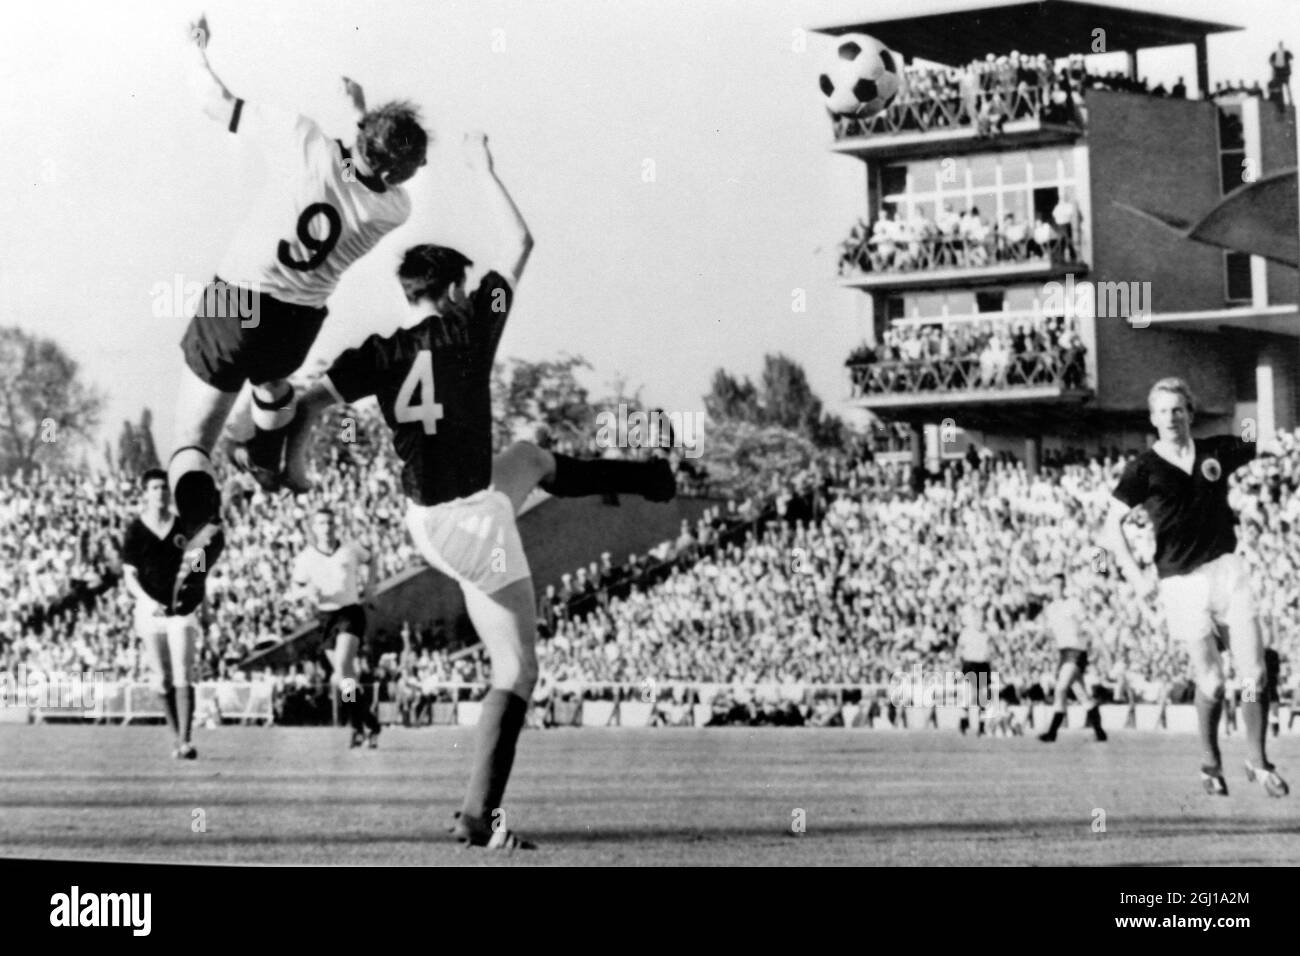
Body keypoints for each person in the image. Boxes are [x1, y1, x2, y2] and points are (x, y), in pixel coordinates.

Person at [281, 133, 674, 849]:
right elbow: (521, 240)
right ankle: (479, 816)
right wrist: (487, 171)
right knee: (519, 669)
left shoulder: (375, 352)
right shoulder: (468, 327)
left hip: (428, 518)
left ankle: (644, 479)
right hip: (470, 521)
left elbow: (309, 404)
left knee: (528, 459)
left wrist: (299, 462)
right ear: (454, 290)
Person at [166, 13, 428, 617]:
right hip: (298, 321)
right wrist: (364, 118)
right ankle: (263, 448)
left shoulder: (301, 136)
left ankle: (203, 525)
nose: (414, 178)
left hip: (238, 297)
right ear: (392, 170)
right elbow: (375, 171)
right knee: (272, 381)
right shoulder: (394, 210)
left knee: (189, 445)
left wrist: (196, 52)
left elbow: (216, 102)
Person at [1102, 378, 1288, 797]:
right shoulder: (1142, 469)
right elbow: (1109, 528)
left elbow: (1261, 439)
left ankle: (1257, 762)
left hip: (1227, 569)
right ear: (1153, 418)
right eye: (1163, 411)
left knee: (1254, 673)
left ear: (1191, 413)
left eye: (1178, 409)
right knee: (1213, 683)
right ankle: (1210, 765)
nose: (1171, 417)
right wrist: (1135, 574)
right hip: (1180, 583)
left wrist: (1266, 430)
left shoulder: (1216, 451)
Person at [119, 469, 202, 759]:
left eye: (165, 488)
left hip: (179, 608)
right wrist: (145, 599)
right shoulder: (135, 529)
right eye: (155, 488)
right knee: (161, 676)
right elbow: (129, 575)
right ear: (145, 492)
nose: (161, 493)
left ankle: (186, 740)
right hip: (148, 609)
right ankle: (175, 738)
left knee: (183, 671)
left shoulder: (183, 526)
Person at [290, 507, 381, 747]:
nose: (326, 528)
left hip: (350, 613)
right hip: (325, 618)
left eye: (330, 523)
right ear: (313, 527)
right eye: (321, 524)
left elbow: (372, 559)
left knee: (341, 668)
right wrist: (306, 592)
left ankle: (359, 726)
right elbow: (294, 590)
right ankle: (366, 724)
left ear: (335, 525)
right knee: (346, 679)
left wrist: (370, 588)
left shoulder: (350, 549)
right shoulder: (306, 557)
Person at [1036, 573, 1106, 742]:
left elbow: (1085, 625)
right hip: (1063, 653)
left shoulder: (1073, 603)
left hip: (1076, 651)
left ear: (1064, 587)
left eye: (1059, 585)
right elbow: (1052, 631)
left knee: (1061, 687)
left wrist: (1097, 644)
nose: (1056, 589)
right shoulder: (1051, 608)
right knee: (1082, 694)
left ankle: (1052, 732)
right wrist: (1038, 640)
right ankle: (1100, 732)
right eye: (1054, 585)